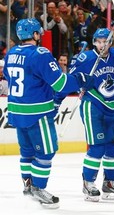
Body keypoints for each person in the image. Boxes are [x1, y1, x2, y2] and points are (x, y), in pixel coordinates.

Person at [2, 18, 94, 209]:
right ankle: (38, 187)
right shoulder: (40, 54)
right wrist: (80, 79)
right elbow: (60, 83)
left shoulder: (11, 53)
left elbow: (14, 78)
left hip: (17, 112)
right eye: (39, 33)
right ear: (35, 34)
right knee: (46, 151)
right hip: (38, 114)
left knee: (27, 152)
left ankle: (27, 185)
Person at [55, 28, 114, 202]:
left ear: (110, 42)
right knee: (97, 147)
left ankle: (110, 183)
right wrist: (59, 99)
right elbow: (70, 80)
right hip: (93, 106)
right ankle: (88, 183)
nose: (100, 45)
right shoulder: (86, 58)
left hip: (111, 107)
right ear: (94, 42)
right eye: (97, 41)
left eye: (104, 41)